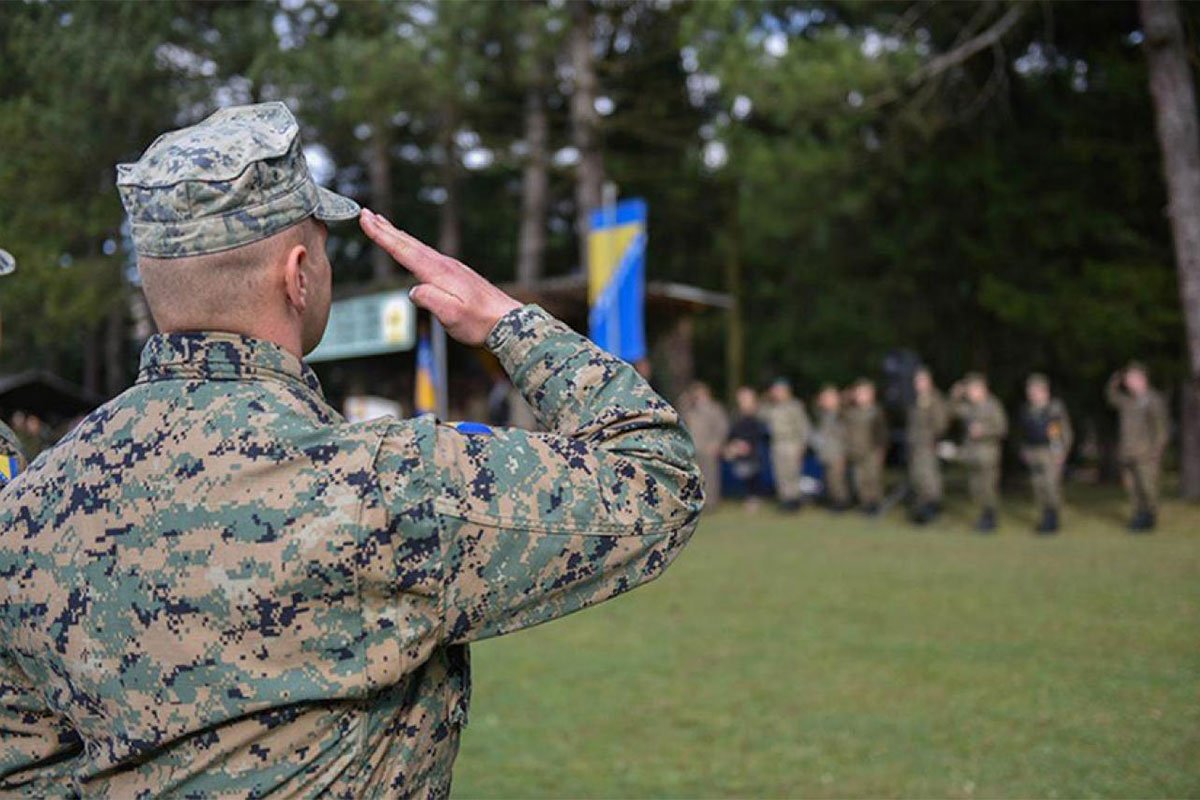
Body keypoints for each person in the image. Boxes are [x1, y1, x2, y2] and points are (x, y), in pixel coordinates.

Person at [0, 103, 703, 796]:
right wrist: (507, 322)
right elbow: (657, 477)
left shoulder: (27, 506)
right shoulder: (383, 481)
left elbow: (20, 767)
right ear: (298, 274)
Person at [1106, 362, 1170, 532]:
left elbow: (1161, 430)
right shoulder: (1127, 401)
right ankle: (1138, 515)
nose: (1128, 382)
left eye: (1131, 378)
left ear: (1142, 379)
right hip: (1128, 452)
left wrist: (1157, 452)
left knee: (1147, 487)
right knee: (1132, 488)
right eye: (1127, 379)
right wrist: (1115, 380)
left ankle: (1150, 515)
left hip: (1146, 453)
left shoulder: (1153, 400)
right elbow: (1111, 397)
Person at [952, 372, 1008, 532]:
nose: (969, 392)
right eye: (968, 389)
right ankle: (984, 516)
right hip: (972, 454)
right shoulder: (969, 407)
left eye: (972, 388)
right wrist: (955, 396)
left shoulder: (992, 405)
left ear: (981, 388)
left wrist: (984, 431)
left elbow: (1002, 428)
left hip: (988, 454)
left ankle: (991, 518)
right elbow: (953, 412)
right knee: (975, 488)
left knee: (988, 487)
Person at [1019, 374, 1073, 534]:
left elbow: (1063, 431)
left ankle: (1053, 518)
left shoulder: (1054, 408)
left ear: (1045, 391)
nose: (1032, 394)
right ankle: (1044, 517)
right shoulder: (1027, 410)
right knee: (1038, 487)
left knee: (1051, 486)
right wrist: (1024, 450)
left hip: (1050, 451)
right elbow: (1024, 433)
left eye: (1036, 390)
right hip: (1034, 451)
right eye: (1030, 390)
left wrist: (1061, 451)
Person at [760, 378, 811, 511]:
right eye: (775, 391)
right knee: (780, 473)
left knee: (792, 472)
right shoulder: (771, 407)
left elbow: (803, 427)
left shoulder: (795, 406)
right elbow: (761, 416)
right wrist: (765, 399)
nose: (776, 393)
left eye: (779, 390)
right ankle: (785, 499)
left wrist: (802, 445)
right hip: (777, 443)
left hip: (792, 442)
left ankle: (794, 500)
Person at [906, 367, 949, 524]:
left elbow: (941, 424)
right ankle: (921, 508)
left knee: (928, 477)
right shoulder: (916, 400)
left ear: (929, 382)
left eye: (922, 380)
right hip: (915, 445)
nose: (918, 384)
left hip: (927, 445)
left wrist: (932, 438)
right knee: (917, 477)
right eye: (916, 380)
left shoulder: (935, 399)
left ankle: (932, 507)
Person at [843, 378, 888, 514]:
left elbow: (882, 434)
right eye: (858, 393)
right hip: (856, 451)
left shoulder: (876, 412)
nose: (860, 396)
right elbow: (838, 409)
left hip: (872, 451)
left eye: (864, 393)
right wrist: (847, 396)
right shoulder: (851, 412)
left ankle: (875, 504)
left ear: (871, 395)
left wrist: (881, 451)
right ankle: (865, 503)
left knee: (872, 478)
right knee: (859, 479)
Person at [681, 381, 729, 506]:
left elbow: (722, 427)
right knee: (693, 477)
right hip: (692, 449)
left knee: (710, 477)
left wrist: (716, 444)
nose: (697, 396)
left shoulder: (714, 409)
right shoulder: (690, 410)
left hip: (708, 448)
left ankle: (711, 502)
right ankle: (695, 502)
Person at [724, 386, 770, 511]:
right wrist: (733, 444)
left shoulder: (760, 414)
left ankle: (755, 496)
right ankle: (750, 496)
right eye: (741, 398)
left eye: (745, 398)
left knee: (753, 472)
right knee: (743, 472)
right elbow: (732, 432)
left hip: (756, 450)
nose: (742, 401)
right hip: (740, 449)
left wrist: (747, 444)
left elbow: (762, 432)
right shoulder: (736, 415)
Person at [813, 384, 849, 510]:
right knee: (829, 480)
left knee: (837, 480)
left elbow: (845, 437)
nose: (826, 401)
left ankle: (841, 502)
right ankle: (833, 500)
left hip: (837, 453)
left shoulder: (841, 415)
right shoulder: (823, 415)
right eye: (824, 398)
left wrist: (843, 455)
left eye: (829, 398)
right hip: (826, 453)